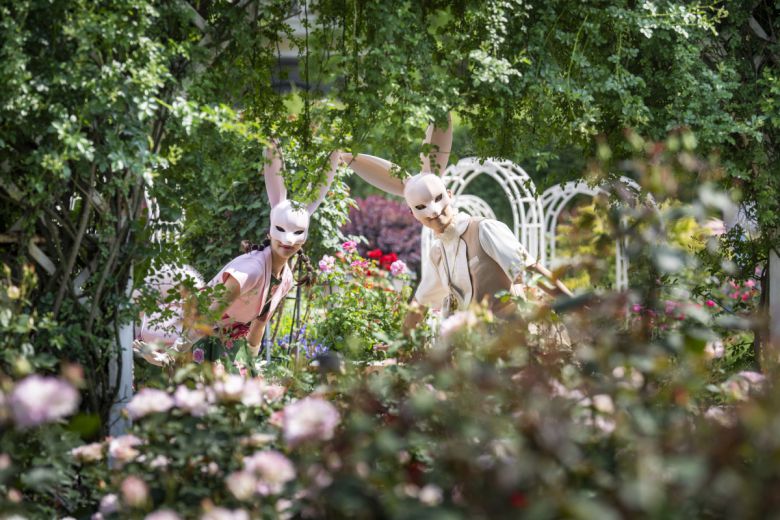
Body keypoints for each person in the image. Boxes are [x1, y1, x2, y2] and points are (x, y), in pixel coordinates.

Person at [341, 113, 572, 329]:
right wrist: (399, 345)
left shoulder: (485, 229)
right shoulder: (438, 253)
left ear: (449, 195)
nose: (434, 211)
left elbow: (530, 269)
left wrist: (575, 304)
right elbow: (421, 302)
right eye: (421, 207)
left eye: (438, 199)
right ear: (412, 214)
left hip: (513, 338)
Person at [134, 142, 338, 371]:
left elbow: (260, 322)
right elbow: (208, 316)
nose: (288, 240)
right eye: (281, 230)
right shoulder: (251, 271)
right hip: (185, 333)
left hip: (220, 344)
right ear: (270, 230)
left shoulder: (285, 278)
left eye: (297, 232)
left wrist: (252, 364)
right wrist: (172, 354)